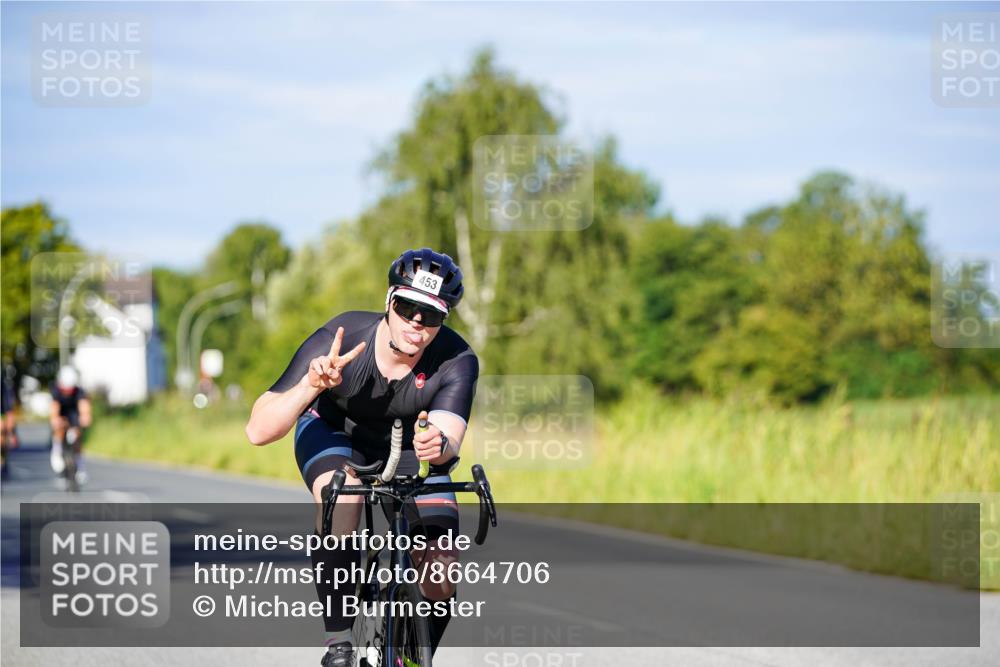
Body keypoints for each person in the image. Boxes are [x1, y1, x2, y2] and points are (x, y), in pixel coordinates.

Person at [246, 248, 479, 667]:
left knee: (441, 574)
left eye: (431, 314)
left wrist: (438, 445)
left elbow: (449, 434)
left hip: (410, 449)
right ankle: (338, 642)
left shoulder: (457, 359)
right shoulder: (343, 336)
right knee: (345, 496)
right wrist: (311, 387)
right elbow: (258, 430)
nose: (416, 323)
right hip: (336, 433)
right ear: (389, 300)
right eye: (407, 307)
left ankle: (413, 655)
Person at [50, 366, 92, 485]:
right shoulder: (56, 391)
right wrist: (55, 419)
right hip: (62, 413)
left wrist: (85, 416)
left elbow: (84, 407)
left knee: (77, 435)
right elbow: (54, 409)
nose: (67, 392)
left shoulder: (79, 391)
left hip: (74, 413)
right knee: (59, 427)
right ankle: (57, 450)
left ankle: (80, 465)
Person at [1, 365, 18, 480]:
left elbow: (9, 410)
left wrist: (11, 433)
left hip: (2, 413)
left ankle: (3, 458)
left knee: (2, 428)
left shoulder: (3, 387)